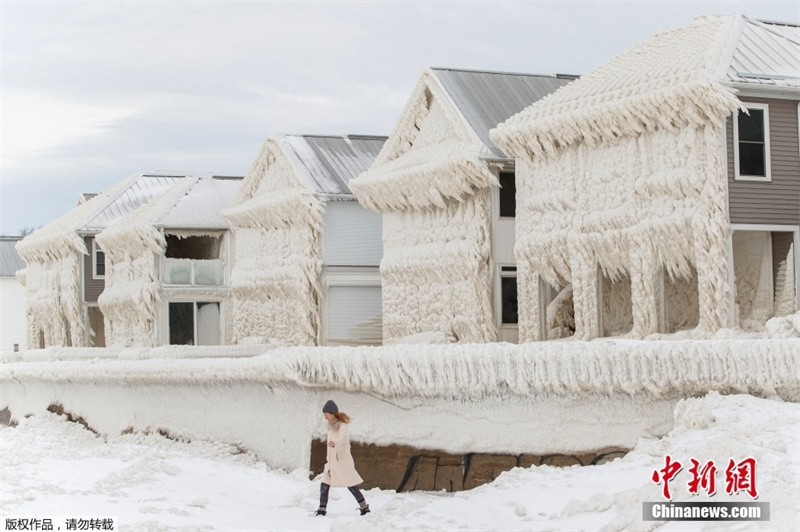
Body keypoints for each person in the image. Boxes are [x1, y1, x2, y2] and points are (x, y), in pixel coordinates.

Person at [314, 400, 370, 516]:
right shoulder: (331, 427)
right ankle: (322, 509)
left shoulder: (342, 426)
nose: (325, 418)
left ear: (333, 413)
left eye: (326, 415)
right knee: (324, 484)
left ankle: (364, 507)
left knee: (352, 486)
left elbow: (343, 438)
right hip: (331, 463)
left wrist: (335, 443)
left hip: (342, 463)